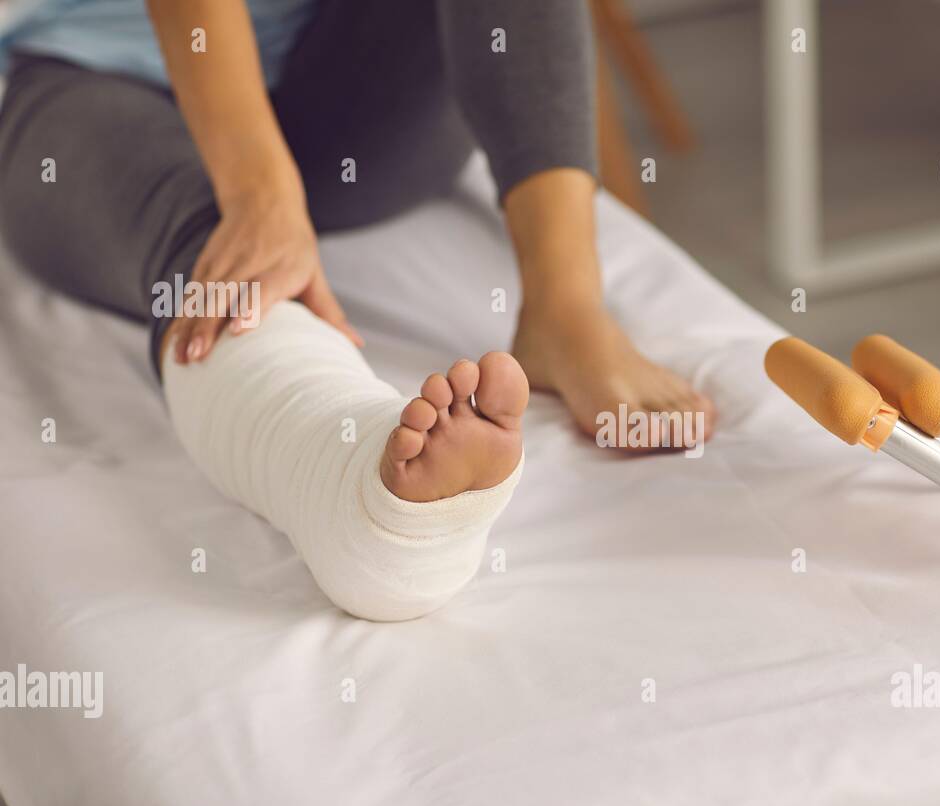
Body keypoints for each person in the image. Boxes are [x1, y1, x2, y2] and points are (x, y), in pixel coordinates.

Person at [0, 0, 715, 621]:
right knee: (221, 262)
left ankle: (565, 309)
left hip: (346, 102)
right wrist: (260, 198)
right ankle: (361, 498)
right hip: (97, 85)